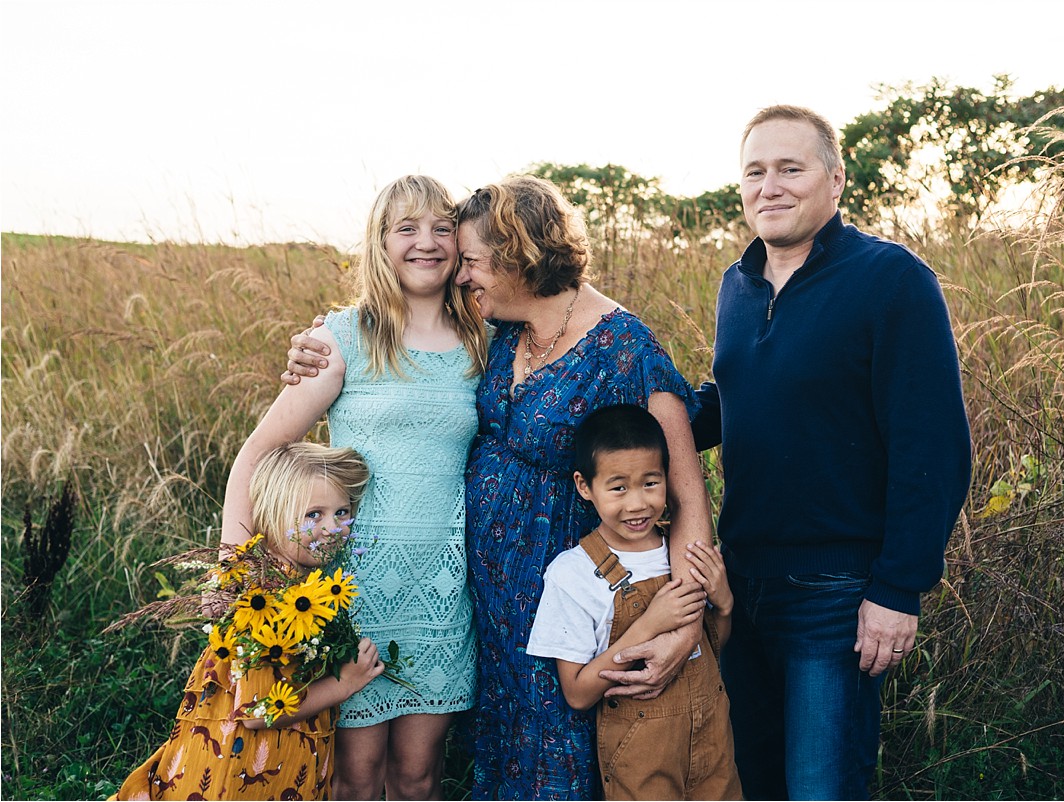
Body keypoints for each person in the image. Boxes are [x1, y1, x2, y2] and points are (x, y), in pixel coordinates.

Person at [285, 175, 711, 799]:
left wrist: (684, 629)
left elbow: (686, 491)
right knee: (495, 761)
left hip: (564, 605)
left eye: (475, 262)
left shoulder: (623, 345)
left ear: (518, 257)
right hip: (480, 602)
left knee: (564, 762)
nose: (463, 275)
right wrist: (320, 339)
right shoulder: (502, 332)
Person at [675, 104, 972, 799]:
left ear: (835, 181)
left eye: (790, 169)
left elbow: (932, 445)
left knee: (821, 788)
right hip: (740, 587)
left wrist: (898, 589)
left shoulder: (890, 280)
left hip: (835, 596)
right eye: (754, 171)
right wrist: (647, 417)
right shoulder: (738, 284)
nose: (769, 187)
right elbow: (736, 399)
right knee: (754, 784)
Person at [223, 175, 489, 800]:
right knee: (355, 779)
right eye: (407, 228)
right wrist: (235, 577)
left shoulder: (485, 339)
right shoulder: (340, 340)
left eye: (441, 228)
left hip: (443, 592)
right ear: (380, 242)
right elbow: (257, 454)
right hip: (356, 588)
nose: (426, 243)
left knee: (420, 778)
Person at [112, 442, 386, 801]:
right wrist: (344, 684)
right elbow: (257, 712)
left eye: (341, 512)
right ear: (273, 515)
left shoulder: (301, 587)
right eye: (313, 515)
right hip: (240, 775)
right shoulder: (262, 598)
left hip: (278, 765)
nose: (331, 528)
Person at [527, 404, 741, 801]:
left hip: (714, 748)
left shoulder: (682, 555)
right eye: (619, 486)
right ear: (584, 486)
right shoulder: (573, 575)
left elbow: (710, 650)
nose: (638, 504)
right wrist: (647, 625)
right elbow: (576, 693)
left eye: (650, 482)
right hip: (642, 761)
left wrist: (724, 605)